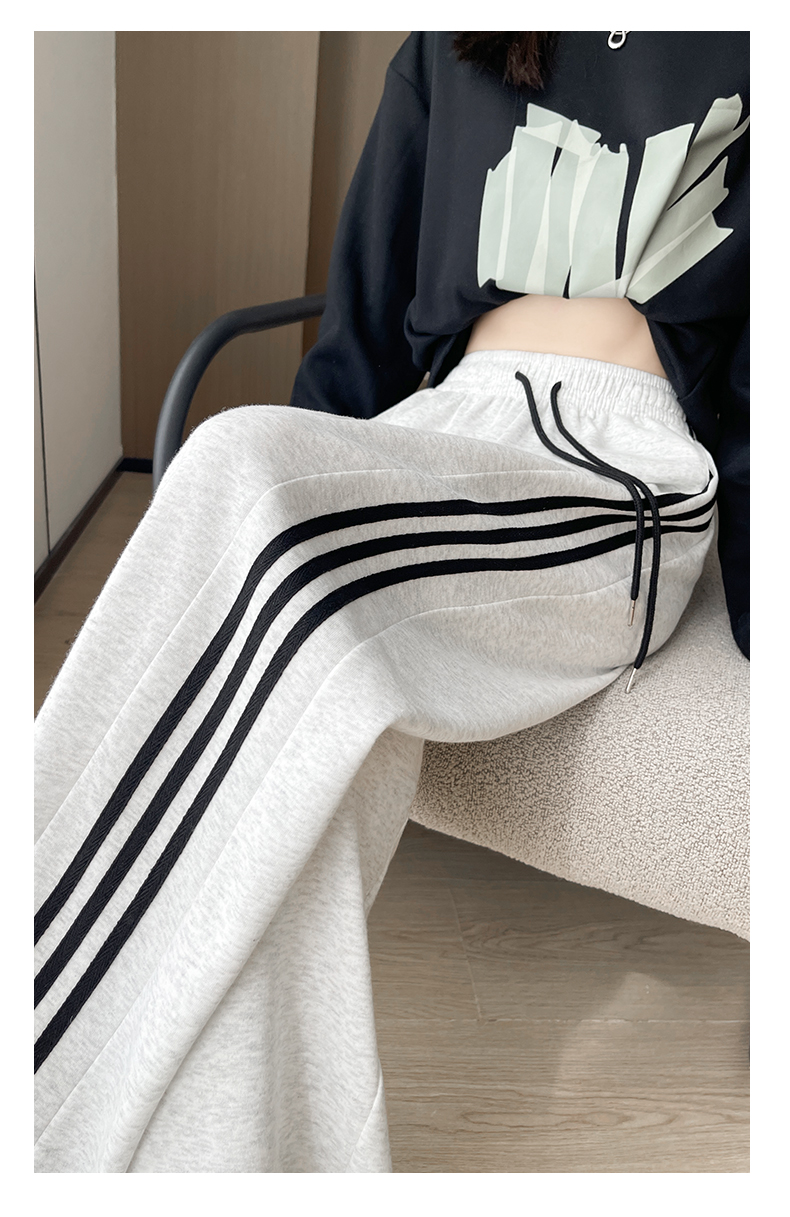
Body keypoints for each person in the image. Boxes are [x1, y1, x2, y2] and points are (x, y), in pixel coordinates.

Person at [34, 31, 748, 1172]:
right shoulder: (458, 46)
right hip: (442, 419)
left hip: (617, 461)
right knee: (249, 500)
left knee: (242, 475)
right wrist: (315, 460)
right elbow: (362, 325)